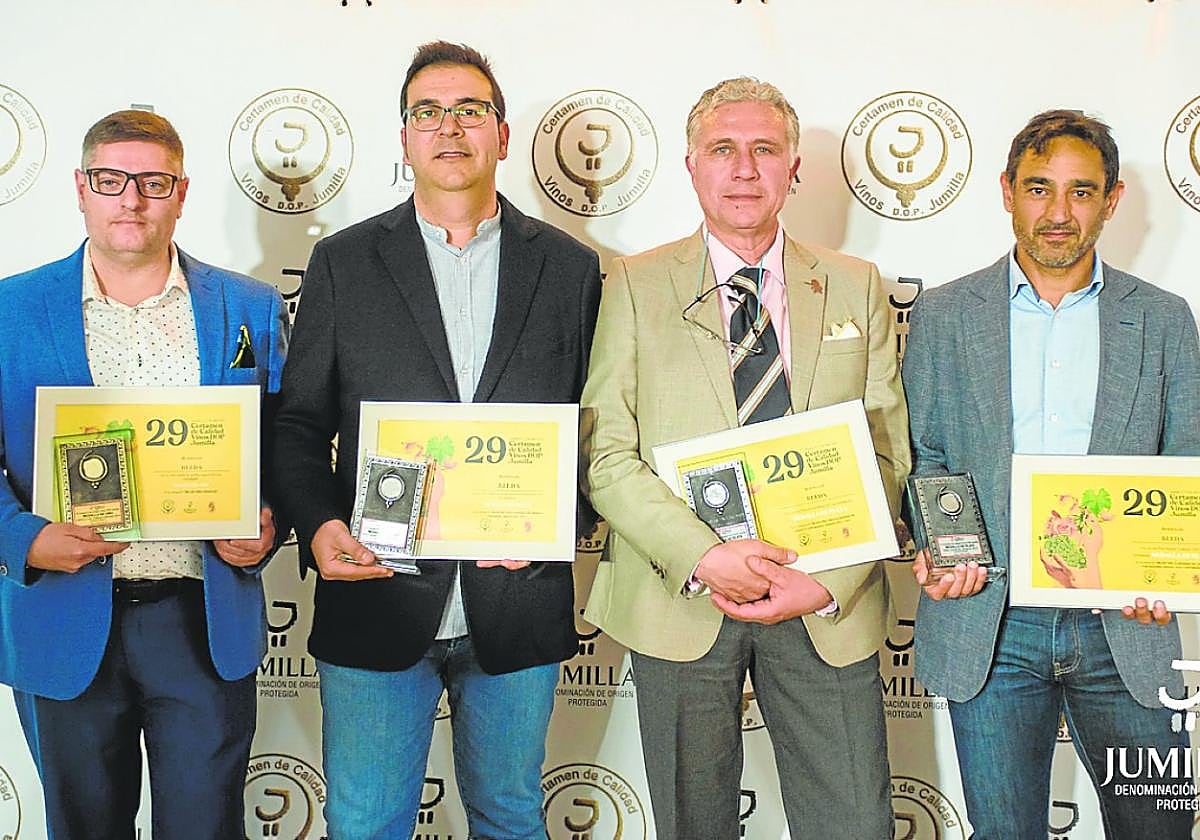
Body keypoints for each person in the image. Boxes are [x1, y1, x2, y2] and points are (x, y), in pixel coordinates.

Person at [270, 41, 601, 838]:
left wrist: (564, 523)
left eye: (468, 110)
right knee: (366, 821)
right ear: (404, 137)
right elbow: (297, 425)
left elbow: (601, 431)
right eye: (427, 112)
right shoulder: (343, 263)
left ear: (503, 133)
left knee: (512, 816)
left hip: (516, 599)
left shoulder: (570, 268)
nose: (448, 127)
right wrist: (319, 529)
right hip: (377, 595)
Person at [580, 76, 909, 840]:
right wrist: (703, 556)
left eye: (765, 149)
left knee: (854, 824)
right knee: (693, 824)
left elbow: (888, 453)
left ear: (795, 168)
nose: (744, 168)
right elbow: (608, 455)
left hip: (824, 600)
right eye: (722, 149)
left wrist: (822, 582)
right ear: (691, 166)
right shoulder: (633, 285)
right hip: (681, 599)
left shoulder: (858, 288)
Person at [905, 109, 1200, 839]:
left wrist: (1166, 572)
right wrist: (946, 549)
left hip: (1125, 630)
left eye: (1080, 191)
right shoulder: (943, 314)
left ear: (1112, 199)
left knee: (1158, 831)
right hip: (992, 624)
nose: (1059, 213)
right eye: (1039, 189)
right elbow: (926, 456)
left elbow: (1186, 463)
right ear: (1007, 191)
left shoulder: (1164, 319)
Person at [0, 109, 288, 838]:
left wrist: (270, 520)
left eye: (153, 183)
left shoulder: (246, 306)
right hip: (65, 619)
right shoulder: (9, 309)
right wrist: (24, 538)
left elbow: (286, 444)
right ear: (81, 188)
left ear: (182, 193)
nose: (132, 199)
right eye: (112, 180)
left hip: (199, 617)